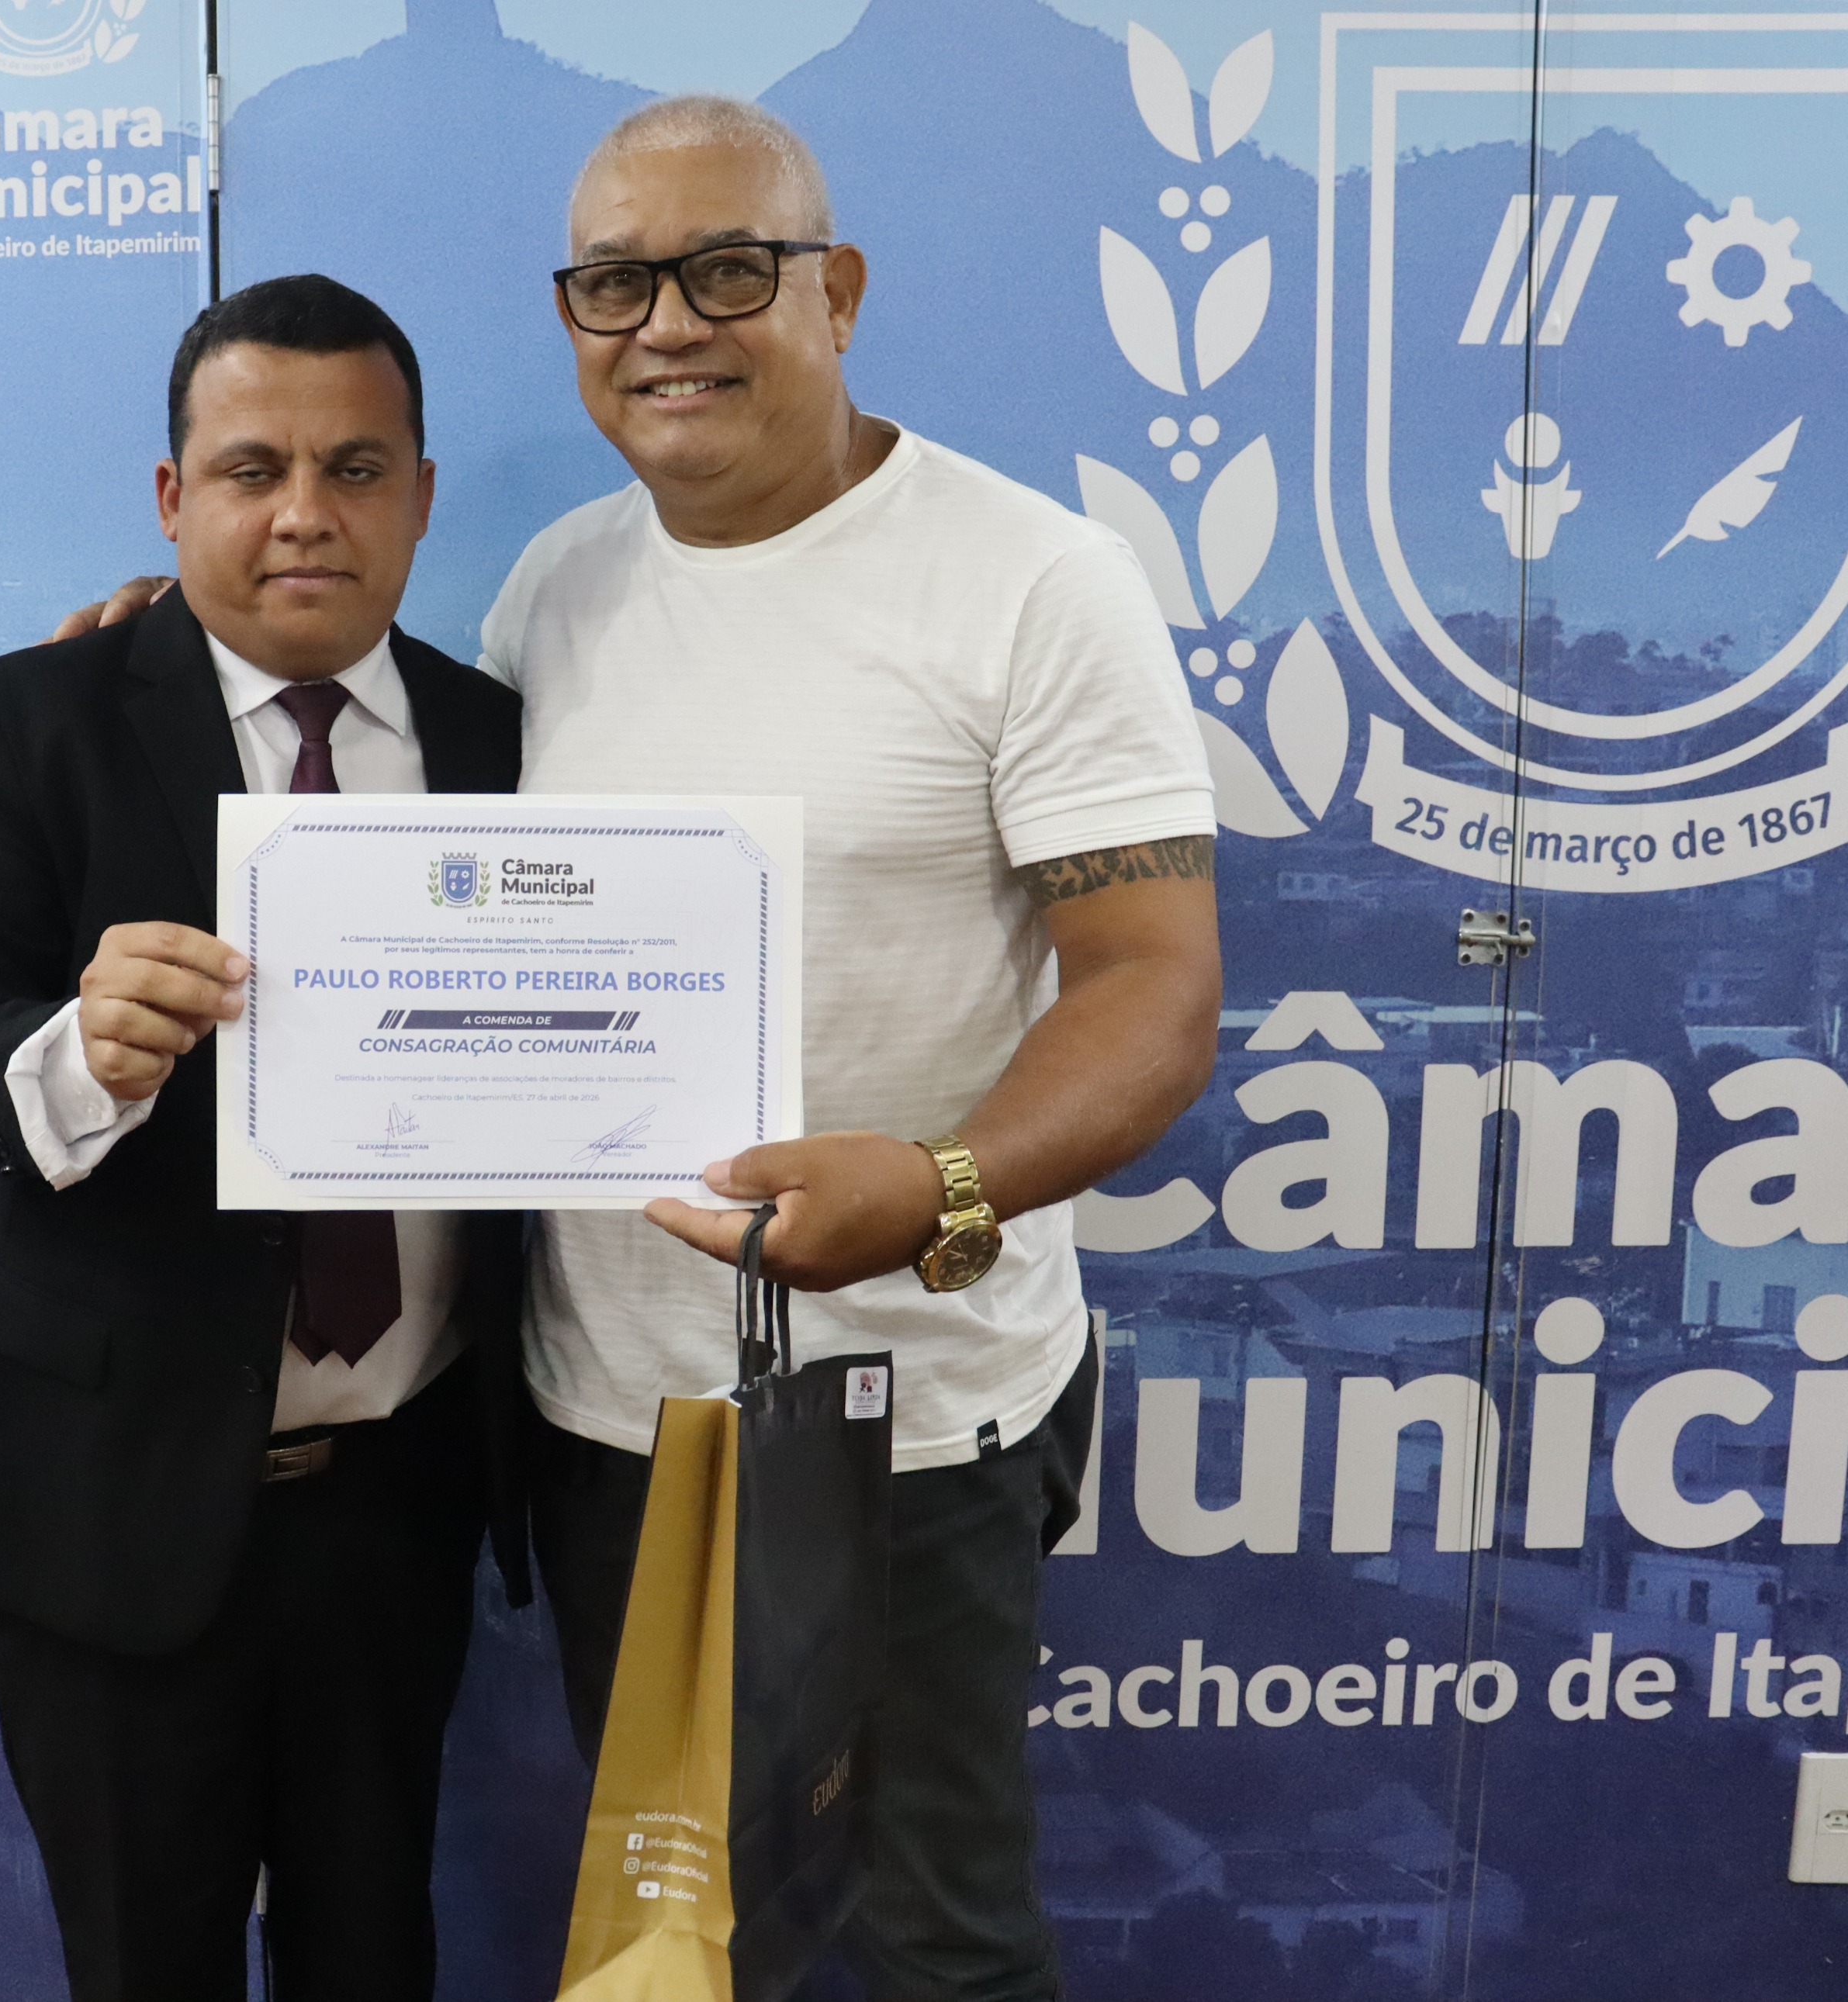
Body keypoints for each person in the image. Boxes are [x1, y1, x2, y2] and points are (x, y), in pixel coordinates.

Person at [62, 96, 1220, 2002]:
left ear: (838, 292)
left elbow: (1151, 990)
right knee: (681, 1949)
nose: (667, 322)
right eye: (616, 283)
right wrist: (162, 656)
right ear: (572, 318)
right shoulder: (560, 585)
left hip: (897, 1415)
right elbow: (390, 849)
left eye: (727, 271)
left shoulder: (1032, 581)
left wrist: (937, 1185)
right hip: (606, 1418)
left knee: (934, 1943)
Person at [0, 273, 528, 2002]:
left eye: (356, 468)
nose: (305, 512)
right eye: (252, 469)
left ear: (420, 497)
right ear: (173, 499)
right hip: (105, 1506)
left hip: (400, 1505)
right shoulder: (16, 723)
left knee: (373, 1956)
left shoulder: (507, 744)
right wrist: (76, 1051)